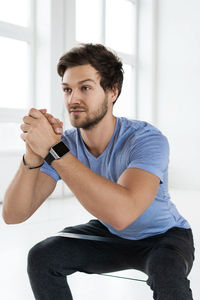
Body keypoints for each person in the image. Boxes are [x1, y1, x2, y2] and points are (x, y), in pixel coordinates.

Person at [2, 43, 195, 300]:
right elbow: (14, 214)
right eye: (67, 90)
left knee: (166, 268)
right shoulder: (66, 144)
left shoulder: (146, 139)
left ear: (112, 91)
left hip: (163, 237)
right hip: (110, 234)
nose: (73, 99)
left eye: (85, 88)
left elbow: (123, 214)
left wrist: (53, 149)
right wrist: (34, 153)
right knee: (42, 257)